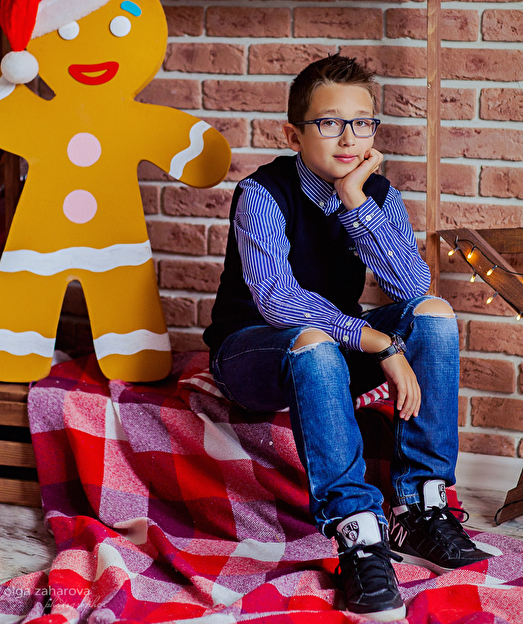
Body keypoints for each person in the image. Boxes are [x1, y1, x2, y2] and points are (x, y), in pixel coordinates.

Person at [204, 54, 490, 621]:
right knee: (312, 342)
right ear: (294, 135)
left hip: (337, 345)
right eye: (330, 122)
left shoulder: (376, 193)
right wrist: (378, 343)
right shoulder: (262, 193)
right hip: (257, 351)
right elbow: (279, 302)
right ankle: (358, 535)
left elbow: (412, 286)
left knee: (433, 314)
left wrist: (356, 199)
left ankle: (421, 507)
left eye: (362, 123)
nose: (349, 137)